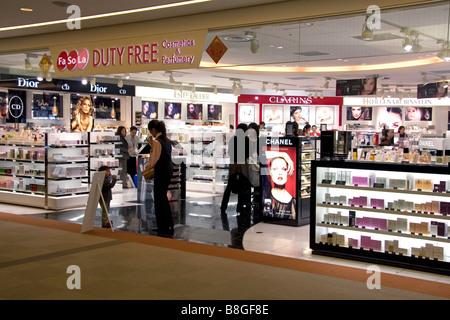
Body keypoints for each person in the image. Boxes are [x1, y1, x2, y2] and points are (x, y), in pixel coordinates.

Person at [145, 120, 174, 234]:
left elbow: (154, 160)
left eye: (150, 131)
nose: (150, 133)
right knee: (163, 197)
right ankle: (168, 224)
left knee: (159, 198)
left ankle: (162, 225)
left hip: (161, 171)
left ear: (153, 129)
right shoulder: (166, 140)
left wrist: (147, 167)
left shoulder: (157, 142)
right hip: (168, 170)